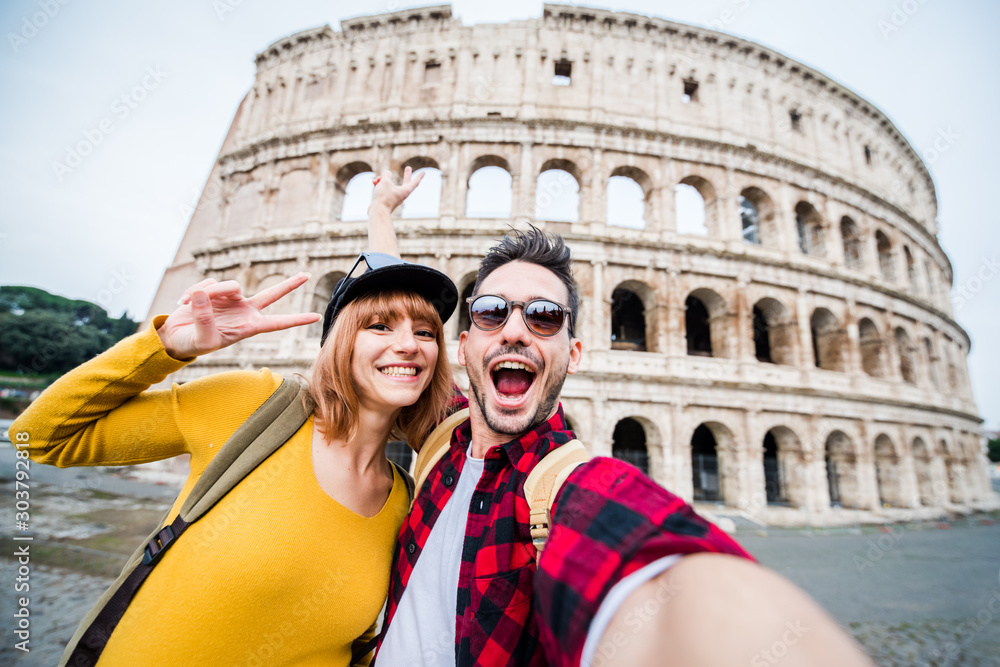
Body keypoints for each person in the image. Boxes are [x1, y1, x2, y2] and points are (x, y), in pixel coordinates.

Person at [366, 188, 874, 666]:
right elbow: (396, 314)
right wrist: (380, 218)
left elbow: (666, 581)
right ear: (463, 346)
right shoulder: (441, 436)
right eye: (491, 312)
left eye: (544, 317)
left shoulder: (571, 488)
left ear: (575, 353)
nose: (516, 330)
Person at [10, 168, 457, 666]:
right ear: (340, 343)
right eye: (378, 325)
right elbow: (40, 437)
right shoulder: (256, 406)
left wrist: (380, 215)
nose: (408, 344)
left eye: (426, 332)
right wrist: (162, 349)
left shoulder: (405, 502)